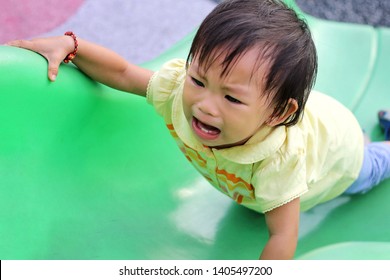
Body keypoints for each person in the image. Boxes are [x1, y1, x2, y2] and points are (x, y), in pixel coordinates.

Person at [6, 0, 390, 259]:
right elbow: (122, 72)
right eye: (200, 80)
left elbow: (282, 236)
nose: (204, 105)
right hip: (316, 125)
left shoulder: (282, 162)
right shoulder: (178, 90)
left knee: (371, 166)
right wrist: (69, 45)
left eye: (232, 99)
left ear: (277, 114)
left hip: (339, 161)